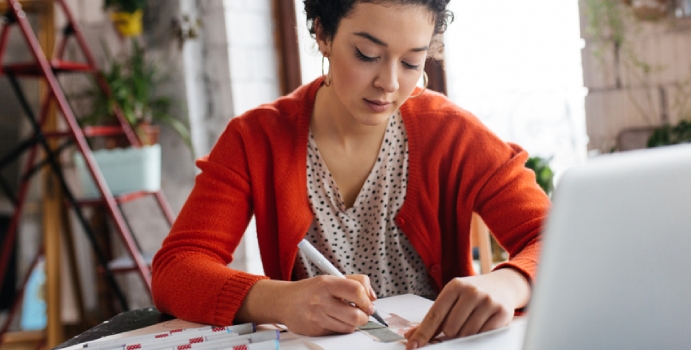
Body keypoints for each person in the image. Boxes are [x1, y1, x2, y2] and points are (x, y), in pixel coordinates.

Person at [151, 0, 550, 348]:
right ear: (323, 34)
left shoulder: (455, 135)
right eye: (366, 54)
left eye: (412, 61)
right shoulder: (255, 138)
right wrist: (280, 300)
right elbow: (176, 269)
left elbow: (557, 236)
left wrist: (509, 283)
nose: (390, 83)